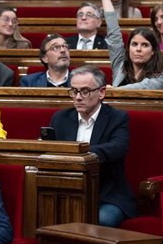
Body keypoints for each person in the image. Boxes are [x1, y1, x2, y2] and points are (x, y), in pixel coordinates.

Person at [50, 66, 136, 227]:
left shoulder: (117, 118)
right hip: (66, 191)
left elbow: (118, 147)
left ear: (101, 92)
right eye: (74, 91)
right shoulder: (60, 118)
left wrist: (80, 153)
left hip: (106, 194)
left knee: (102, 220)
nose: (78, 97)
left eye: (85, 91)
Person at [100, 0, 163, 89]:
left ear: (153, 51)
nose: (138, 49)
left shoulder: (161, 77)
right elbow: (113, 28)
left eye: (145, 45)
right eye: (134, 44)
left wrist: (114, 91)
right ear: (128, 48)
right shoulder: (120, 65)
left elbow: (143, 87)